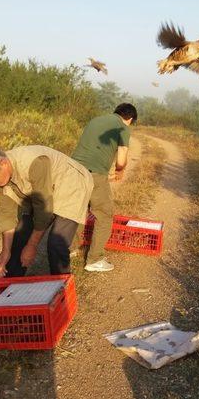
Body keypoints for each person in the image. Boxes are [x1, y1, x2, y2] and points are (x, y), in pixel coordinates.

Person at [0, 145, 93, 277]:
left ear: (4, 163)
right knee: (19, 239)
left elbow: (43, 209)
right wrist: (5, 251)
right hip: (43, 191)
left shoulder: (35, 162)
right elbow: (7, 215)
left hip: (71, 185)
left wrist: (32, 245)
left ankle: (62, 288)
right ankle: (10, 287)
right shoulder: (0, 176)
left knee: (56, 243)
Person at [72, 103, 137, 272]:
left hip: (72, 169)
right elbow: (121, 158)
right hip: (95, 173)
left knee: (78, 210)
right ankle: (94, 260)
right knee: (105, 215)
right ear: (129, 119)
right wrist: (120, 170)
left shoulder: (95, 120)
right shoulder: (123, 127)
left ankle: (70, 249)